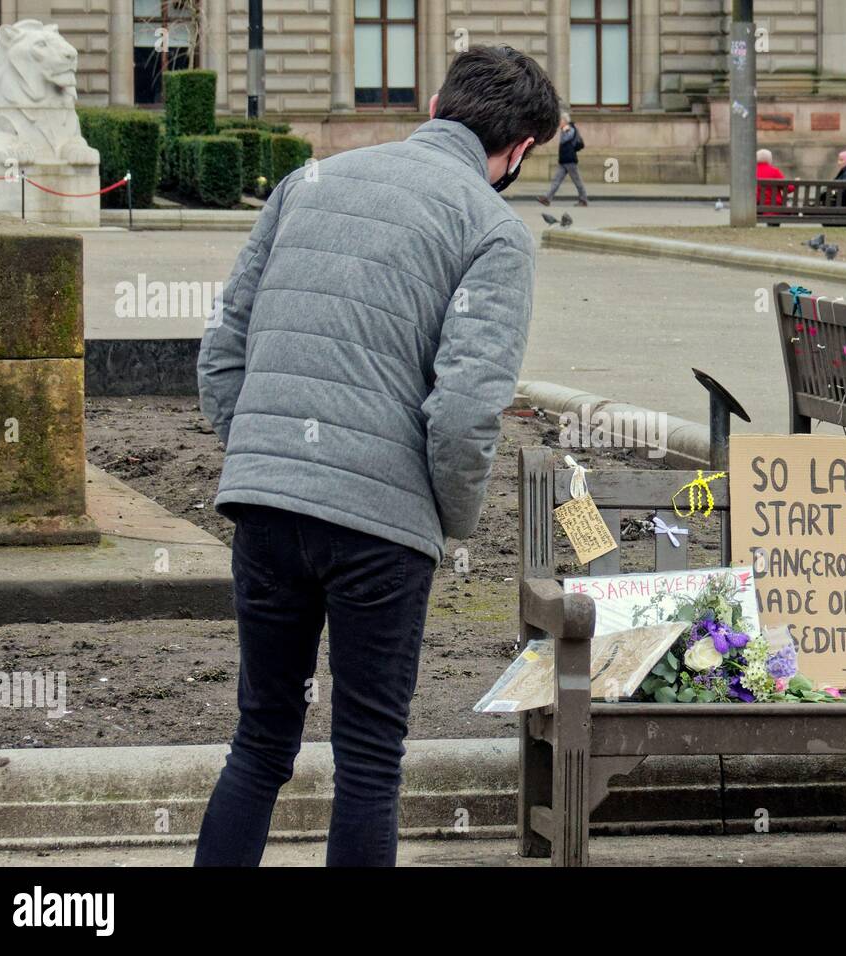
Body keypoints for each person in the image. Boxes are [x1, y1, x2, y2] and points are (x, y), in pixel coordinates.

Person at [193, 45, 560, 867]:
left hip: (263, 501)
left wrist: (256, 453)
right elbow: (465, 410)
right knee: (368, 758)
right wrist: (450, 520)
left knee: (258, 741)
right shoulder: (494, 230)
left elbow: (222, 346)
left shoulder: (308, 181)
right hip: (382, 525)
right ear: (520, 151)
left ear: (434, 102)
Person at [538, 112, 588, 206]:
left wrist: (565, 130)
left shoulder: (569, 129)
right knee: (556, 180)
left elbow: (565, 140)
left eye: (560, 120)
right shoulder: (565, 129)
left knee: (577, 181)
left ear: (565, 121)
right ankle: (547, 198)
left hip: (570, 160)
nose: (559, 122)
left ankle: (583, 200)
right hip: (564, 160)